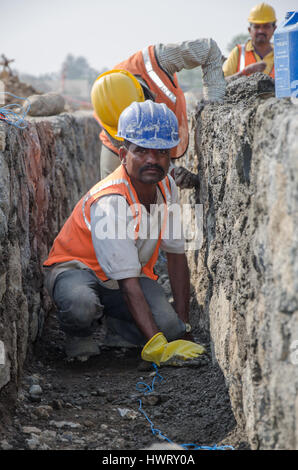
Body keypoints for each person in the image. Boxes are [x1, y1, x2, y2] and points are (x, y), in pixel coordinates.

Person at [43, 100, 205, 365]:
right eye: (141, 151)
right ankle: (79, 333)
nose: (152, 159)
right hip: (80, 272)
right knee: (80, 303)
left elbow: (177, 255)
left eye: (161, 151)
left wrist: (183, 328)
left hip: (124, 277)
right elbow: (128, 283)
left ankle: (118, 328)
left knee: (171, 327)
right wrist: (158, 348)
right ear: (122, 155)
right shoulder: (111, 201)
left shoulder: (167, 188)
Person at [91, 38, 226, 187]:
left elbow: (208, 49)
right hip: (113, 149)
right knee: (115, 197)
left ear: (145, 96)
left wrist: (214, 105)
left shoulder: (158, 61)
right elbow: (139, 158)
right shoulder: (110, 116)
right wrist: (172, 173)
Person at [223, 3, 277, 79]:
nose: (261, 31)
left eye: (266, 26)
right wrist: (245, 72)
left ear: (274, 29)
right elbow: (221, 83)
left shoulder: (282, 54)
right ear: (249, 30)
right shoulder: (238, 52)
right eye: (257, 27)